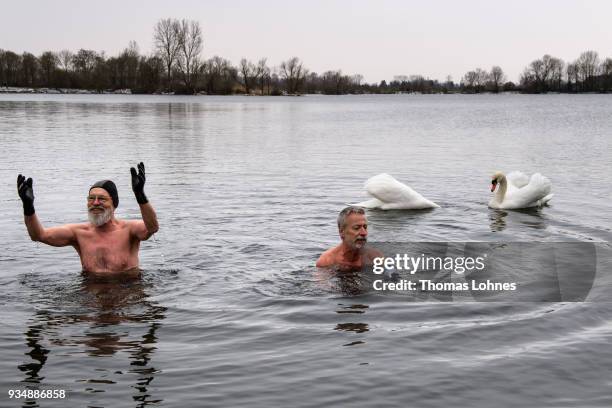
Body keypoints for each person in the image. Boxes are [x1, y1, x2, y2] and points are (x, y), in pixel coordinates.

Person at [17, 162, 159, 274]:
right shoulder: (78, 233)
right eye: (91, 199)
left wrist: (140, 195)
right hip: (90, 299)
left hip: (127, 296)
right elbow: (38, 235)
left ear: (114, 204)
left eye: (102, 199)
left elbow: (152, 228)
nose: (95, 203)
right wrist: (28, 206)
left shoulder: (129, 230)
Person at [316, 206, 382, 271]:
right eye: (356, 228)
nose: (364, 233)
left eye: (365, 227)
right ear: (342, 232)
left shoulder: (375, 257)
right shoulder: (326, 261)